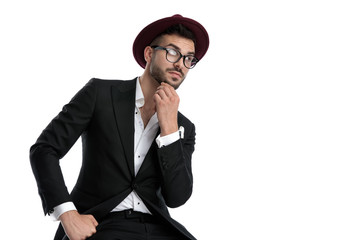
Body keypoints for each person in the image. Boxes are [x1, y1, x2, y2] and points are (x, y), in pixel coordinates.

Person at [30, 14, 209, 240]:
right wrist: (68, 214)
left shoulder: (184, 127)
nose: (180, 64)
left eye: (188, 59)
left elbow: (177, 198)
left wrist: (170, 130)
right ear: (148, 54)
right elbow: (45, 149)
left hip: (157, 227)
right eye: (172, 52)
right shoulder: (100, 94)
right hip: (101, 224)